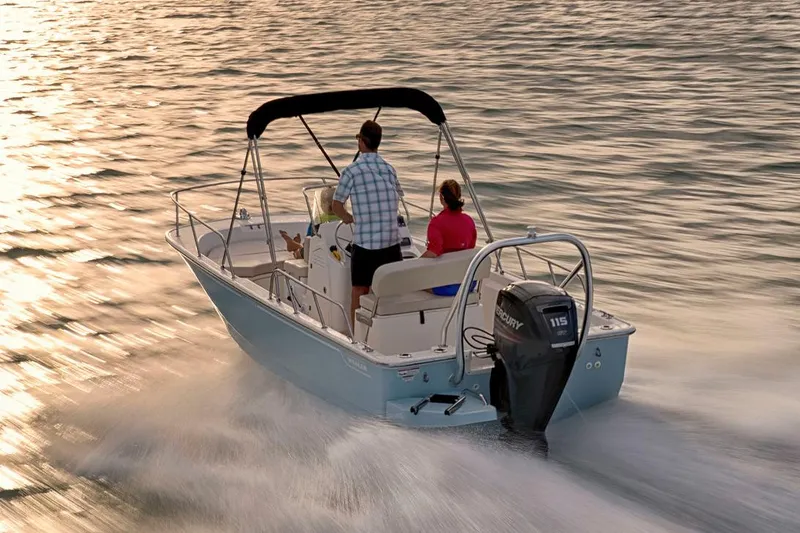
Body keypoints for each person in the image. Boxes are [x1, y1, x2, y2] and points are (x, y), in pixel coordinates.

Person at [332, 120, 403, 328]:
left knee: (359, 289)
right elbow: (398, 195)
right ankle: (383, 329)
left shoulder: (351, 171)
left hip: (366, 246)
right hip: (392, 244)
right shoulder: (389, 169)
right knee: (383, 290)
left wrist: (347, 217)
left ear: (361, 142)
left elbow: (336, 205)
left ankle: (357, 333)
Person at [420, 179, 478, 296]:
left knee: (412, 281)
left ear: (441, 197)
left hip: (445, 286)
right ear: (459, 196)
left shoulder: (436, 223)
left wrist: (416, 263)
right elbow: (470, 249)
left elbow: (434, 252)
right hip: (468, 284)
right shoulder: (469, 221)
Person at [279, 186, 339, 259]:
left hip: (317, 254)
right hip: (338, 252)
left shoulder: (318, 220)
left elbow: (309, 239)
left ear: (322, 204)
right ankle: (296, 245)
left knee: (299, 253)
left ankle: (295, 246)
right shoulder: (346, 219)